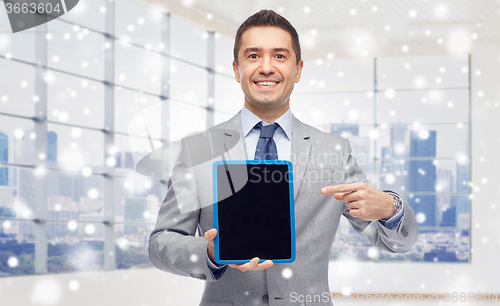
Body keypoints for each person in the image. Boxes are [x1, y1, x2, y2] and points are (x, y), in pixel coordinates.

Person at [149, 9, 418, 306]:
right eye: (253, 56)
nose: (266, 67)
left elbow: (397, 242)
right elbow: (161, 243)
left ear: (298, 69)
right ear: (237, 69)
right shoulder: (199, 150)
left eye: (279, 56)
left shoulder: (334, 152)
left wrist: (390, 208)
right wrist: (210, 253)